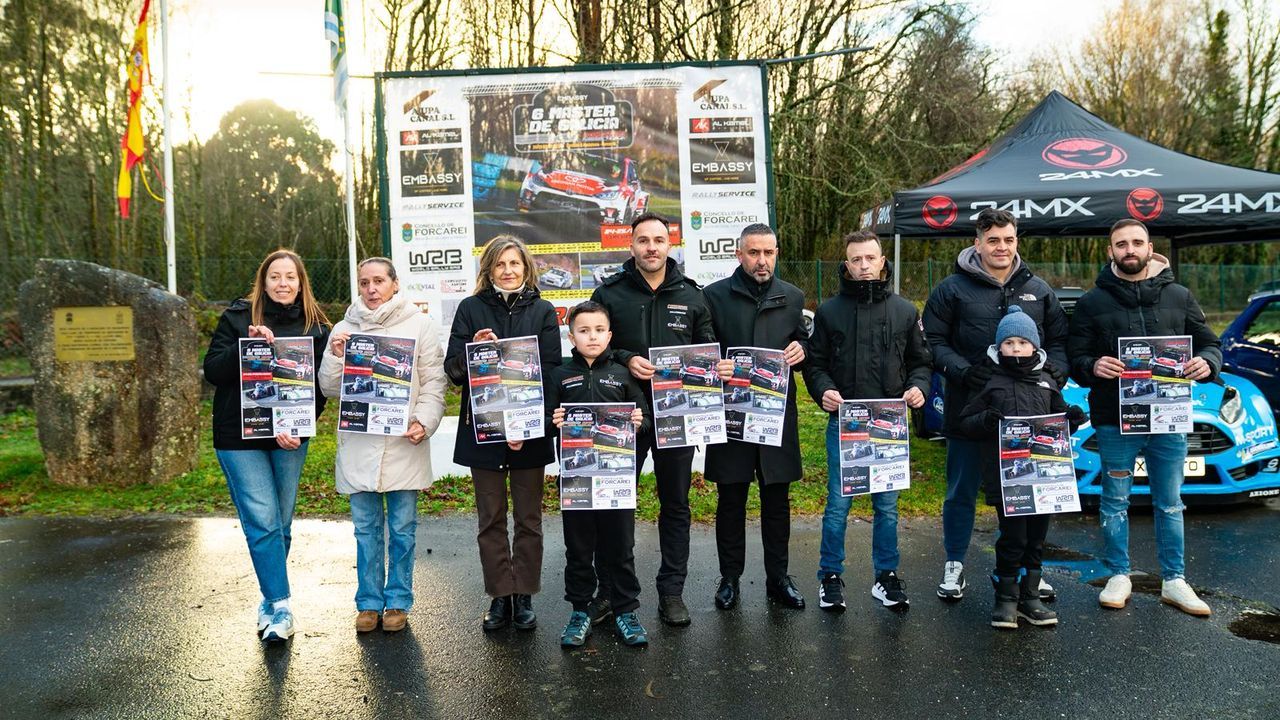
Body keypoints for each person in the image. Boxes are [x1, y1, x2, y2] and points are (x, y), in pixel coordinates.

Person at [1066, 219, 1220, 617]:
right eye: (1121, 244)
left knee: (1170, 502)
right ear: (1110, 251)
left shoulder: (1180, 296)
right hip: (1115, 419)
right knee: (1115, 500)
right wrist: (1092, 365)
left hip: (1168, 419)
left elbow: (1209, 343)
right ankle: (1118, 574)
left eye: (1136, 242)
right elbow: (1075, 357)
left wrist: (1207, 362)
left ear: (1150, 247)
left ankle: (1175, 580)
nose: (1129, 250)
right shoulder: (1091, 303)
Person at [922, 208, 1069, 602]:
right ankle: (954, 563)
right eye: (993, 240)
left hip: (1030, 417)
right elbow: (932, 342)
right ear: (978, 243)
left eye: (1008, 240)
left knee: (1026, 493)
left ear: (1016, 241)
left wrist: (1057, 374)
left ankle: (1024, 570)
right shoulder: (951, 289)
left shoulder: (1038, 289)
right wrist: (962, 371)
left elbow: (1058, 340)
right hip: (971, 412)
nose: (1001, 247)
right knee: (961, 491)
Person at [590, 212, 716, 627]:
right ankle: (611, 590)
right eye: (642, 240)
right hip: (626, 415)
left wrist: (716, 368)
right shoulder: (609, 294)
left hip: (679, 416)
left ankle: (672, 592)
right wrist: (626, 358)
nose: (651, 247)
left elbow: (707, 350)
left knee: (676, 504)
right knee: (615, 501)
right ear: (631, 246)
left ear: (669, 244)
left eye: (659, 240)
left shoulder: (693, 296)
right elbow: (592, 349)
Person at [203, 249, 331, 642]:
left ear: (301, 282)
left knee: (281, 523)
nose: (282, 284)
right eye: (275, 276)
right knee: (262, 520)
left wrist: (301, 424)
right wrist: (247, 345)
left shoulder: (316, 328)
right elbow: (212, 370)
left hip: (288, 437)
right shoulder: (239, 318)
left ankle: (267, 597)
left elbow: (320, 390)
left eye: (289, 277)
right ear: (264, 281)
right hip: (239, 438)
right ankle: (281, 605)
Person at [804, 231, 932, 611]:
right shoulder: (829, 311)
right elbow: (815, 364)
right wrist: (822, 389)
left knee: (888, 507)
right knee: (838, 505)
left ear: (882, 261)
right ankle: (830, 576)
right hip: (844, 423)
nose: (863, 266)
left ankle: (886, 576)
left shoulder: (905, 311)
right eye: (856, 260)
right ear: (846, 265)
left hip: (888, 425)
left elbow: (921, 362)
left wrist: (918, 387)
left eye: (870, 259)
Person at [319, 257, 446, 633]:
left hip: (403, 442)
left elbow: (434, 383)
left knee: (403, 528)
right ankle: (369, 603)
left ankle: (399, 601)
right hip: (359, 442)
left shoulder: (420, 326)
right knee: (365, 529)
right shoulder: (343, 329)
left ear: (394, 284)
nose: (371, 289)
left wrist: (424, 421)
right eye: (364, 282)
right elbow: (328, 389)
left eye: (378, 281)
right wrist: (335, 355)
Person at [444, 236, 560, 633]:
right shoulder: (470, 309)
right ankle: (499, 595)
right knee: (490, 517)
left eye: (515, 264)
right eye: (500, 265)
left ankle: (524, 593)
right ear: (488, 270)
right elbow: (454, 371)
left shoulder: (544, 311)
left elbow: (551, 372)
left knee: (529, 518)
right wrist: (472, 351)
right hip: (484, 432)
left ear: (526, 268)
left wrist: (527, 425)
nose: (508, 271)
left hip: (529, 432)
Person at [955, 306, 1087, 628]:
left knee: (1036, 538)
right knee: (1013, 538)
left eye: (1022, 343)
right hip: (1007, 480)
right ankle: (1006, 597)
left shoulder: (1047, 382)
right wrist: (985, 420)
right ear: (999, 347)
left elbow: (1058, 419)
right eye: (1009, 342)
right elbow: (965, 423)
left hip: (1045, 480)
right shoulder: (990, 381)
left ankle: (1031, 596)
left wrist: (1073, 418)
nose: (1016, 349)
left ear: (1035, 347)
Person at [702, 223, 808, 611]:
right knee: (731, 497)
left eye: (769, 253)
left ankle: (778, 578)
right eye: (753, 253)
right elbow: (701, 348)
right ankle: (729, 578)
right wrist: (717, 366)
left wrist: (802, 351)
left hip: (776, 414)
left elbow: (805, 341)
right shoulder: (713, 296)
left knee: (777, 499)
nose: (762, 261)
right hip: (731, 414)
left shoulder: (793, 296)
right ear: (739, 254)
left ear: (777, 253)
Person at [548, 301, 651, 647]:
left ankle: (625, 610)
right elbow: (546, 420)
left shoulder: (624, 375)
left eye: (598, 330)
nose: (591, 337)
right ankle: (580, 610)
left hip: (615, 481)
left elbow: (647, 417)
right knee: (578, 548)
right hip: (576, 480)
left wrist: (639, 423)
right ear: (571, 335)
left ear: (610, 334)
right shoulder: (560, 375)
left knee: (620, 545)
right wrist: (554, 422)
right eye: (583, 331)